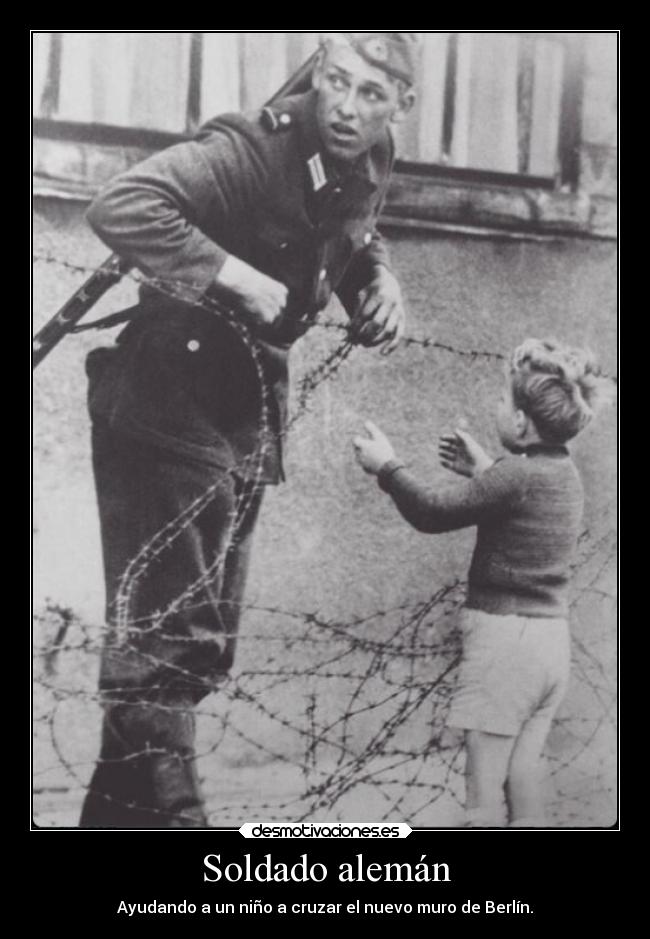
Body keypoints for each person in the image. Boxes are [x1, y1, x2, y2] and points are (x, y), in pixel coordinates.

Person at [79, 32, 418, 828]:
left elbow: (354, 228)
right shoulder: (253, 146)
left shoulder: (371, 157)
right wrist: (232, 276)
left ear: (401, 105)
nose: (345, 106)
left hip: (244, 415)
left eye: (371, 93)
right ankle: (184, 823)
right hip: (166, 403)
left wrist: (378, 280)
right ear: (319, 71)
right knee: (170, 642)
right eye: (337, 80)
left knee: (196, 643)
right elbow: (121, 202)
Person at [353, 338, 612, 828]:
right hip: (550, 645)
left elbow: (432, 512)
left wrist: (387, 467)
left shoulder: (513, 476)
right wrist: (484, 470)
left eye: (502, 400)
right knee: (523, 778)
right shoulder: (564, 475)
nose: (496, 406)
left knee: (483, 791)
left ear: (521, 422)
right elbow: (522, 502)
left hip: (505, 646)